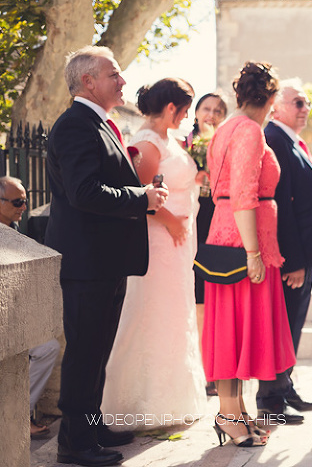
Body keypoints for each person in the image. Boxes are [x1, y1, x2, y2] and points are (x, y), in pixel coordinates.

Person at [46, 45, 168, 466]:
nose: (123, 81)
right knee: (84, 353)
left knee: (98, 351)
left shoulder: (100, 123)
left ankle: (90, 426)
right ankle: (74, 444)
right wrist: (143, 197)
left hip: (104, 261)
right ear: (88, 81)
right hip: (87, 262)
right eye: (114, 74)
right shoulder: (75, 125)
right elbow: (84, 193)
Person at [101, 78, 207, 430]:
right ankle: (140, 402)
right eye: (185, 109)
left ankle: (172, 399)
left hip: (177, 246)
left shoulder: (167, 139)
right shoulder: (146, 143)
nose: (186, 117)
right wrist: (171, 221)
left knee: (174, 314)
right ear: (173, 108)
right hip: (158, 241)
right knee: (152, 312)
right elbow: (139, 195)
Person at [202, 61, 296, 447]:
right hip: (243, 240)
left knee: (234, 330)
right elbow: (242, 193)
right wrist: (253, 253)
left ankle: (236, 413)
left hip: (230, 234)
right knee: (235, 331)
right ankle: (228, 415)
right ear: (271, 98)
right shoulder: (248, 131)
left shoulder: (225, 129)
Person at [259, 79, 312, 424]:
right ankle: (271, 401)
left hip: (302, 256)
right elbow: (282, 209)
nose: (305, 109)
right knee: (282, 328)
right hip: (292, 259)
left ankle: (285, 387)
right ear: (276, 106)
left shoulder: (290, 140)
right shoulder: (274, 139)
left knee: (293, 327)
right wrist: (294, 261)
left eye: (306, 103)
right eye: (297, 103)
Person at [0, 176, 60, 440]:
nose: (23, 206)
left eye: (25, 200)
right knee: (45, 348)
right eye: (17, 201)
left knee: (47, 347)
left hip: (13, 318)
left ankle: (19, 415)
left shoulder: (14, 230)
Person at [183, 92, 228, 397]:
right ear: (196, 112)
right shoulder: (182, 146)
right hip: (191, 228)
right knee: (197, 304)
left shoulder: (227, 146)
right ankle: (200, 370)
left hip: (219, 228)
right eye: (206, 109)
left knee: (215, 303)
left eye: (218, 110)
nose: (211, 115)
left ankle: (214, 368)